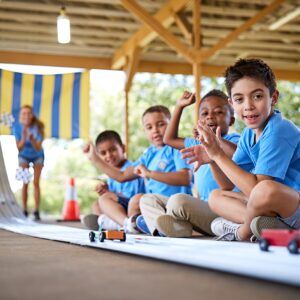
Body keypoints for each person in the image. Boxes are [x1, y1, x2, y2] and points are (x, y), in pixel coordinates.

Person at [188, 58, 300, 241]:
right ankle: (271, 226)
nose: (248, 106)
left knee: (266, 189)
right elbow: (227, 185)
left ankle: (243, 231)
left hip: (293, 204)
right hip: (273, 209)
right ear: (232, 103)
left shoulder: (279, 129)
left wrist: (218, 153)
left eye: (257, 96)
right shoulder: (249, 134)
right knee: (216, 196)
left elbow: (257, 188)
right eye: (239, 99)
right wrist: (213, 158)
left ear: (273, 97)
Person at [140, 90, 239, 237]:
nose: (210, 116)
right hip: (203, 208)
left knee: (177, 201)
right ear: (199, 120)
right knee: (148, 200)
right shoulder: (196, 143)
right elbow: (169, 139)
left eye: (218, 112)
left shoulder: (235, 140)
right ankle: (162, 231)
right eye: (204, 114)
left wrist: (213, 140)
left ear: (231, 120)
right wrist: (179, 107)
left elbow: (236, 152)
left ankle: (179, 229)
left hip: (226, 211)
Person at [83, 105, 192, 233]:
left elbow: (185, 178)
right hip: (151, 205)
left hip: (174, 204)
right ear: (145, 131)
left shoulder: (176, 147)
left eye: (161, 124)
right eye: (149, 127)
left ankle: (119, 225)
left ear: (171, 124)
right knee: (104, 199)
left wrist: (150, 173)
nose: (155, 130)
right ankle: (128, 226)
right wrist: (96, 159)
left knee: (137, 199)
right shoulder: (148, 155)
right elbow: (122, 176)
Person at [82, 130, 145, 232]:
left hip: (134, 208)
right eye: (103, 153)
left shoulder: (130, 169)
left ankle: (120, 224)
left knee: (104, 199)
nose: (108, 155)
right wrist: (106, 191)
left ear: (123, 148)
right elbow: (115, 199)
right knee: (96, 205)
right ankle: (114, 224)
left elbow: (131, 197)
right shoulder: (111, 174)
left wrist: (109, 195)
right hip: (121, 209)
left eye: (112, 150)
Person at [13, 105, 44, 220]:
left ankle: (36, 210)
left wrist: (31, 139)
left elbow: (38, 147)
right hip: (24, 156)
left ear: (32, 115)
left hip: (38, 156)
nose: (26, 115)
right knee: (25, 182)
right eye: (23, 113)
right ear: (21, 115)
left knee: (36, 183)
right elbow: (19, 147)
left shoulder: (38, 127)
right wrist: (24, 136)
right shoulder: (17, 128)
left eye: (28, 113)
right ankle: (24, 210)